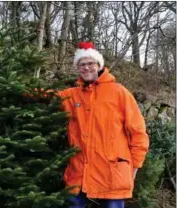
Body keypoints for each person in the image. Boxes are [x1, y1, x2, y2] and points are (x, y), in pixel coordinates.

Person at [56, 42, 149, 208]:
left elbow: (138, 131)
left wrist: (135, 165)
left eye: (90, 63)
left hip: (113, 173)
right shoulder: (72, 95)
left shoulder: (119, 92)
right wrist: (18, 89)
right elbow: (49, 96)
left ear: (99, 65)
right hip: (79, 172)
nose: (86, 68)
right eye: (81, 65)